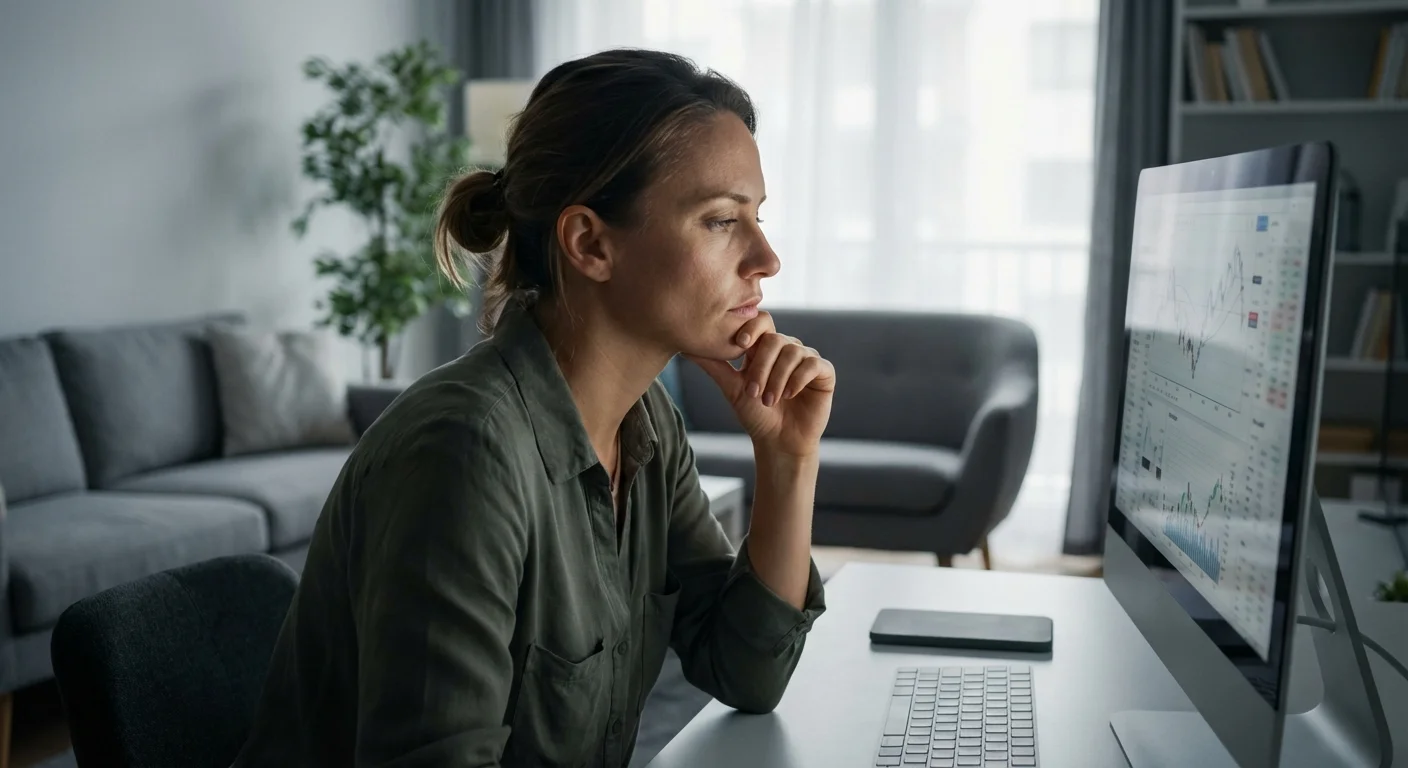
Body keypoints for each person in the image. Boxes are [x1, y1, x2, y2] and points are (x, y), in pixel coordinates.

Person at [233, 48, 834, 768]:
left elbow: (748, 671)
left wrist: (789, 460)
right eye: (719, 220)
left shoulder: (647, 426)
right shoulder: (465, 452)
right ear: (589, 243)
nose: (765, 258)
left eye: (756, 217)